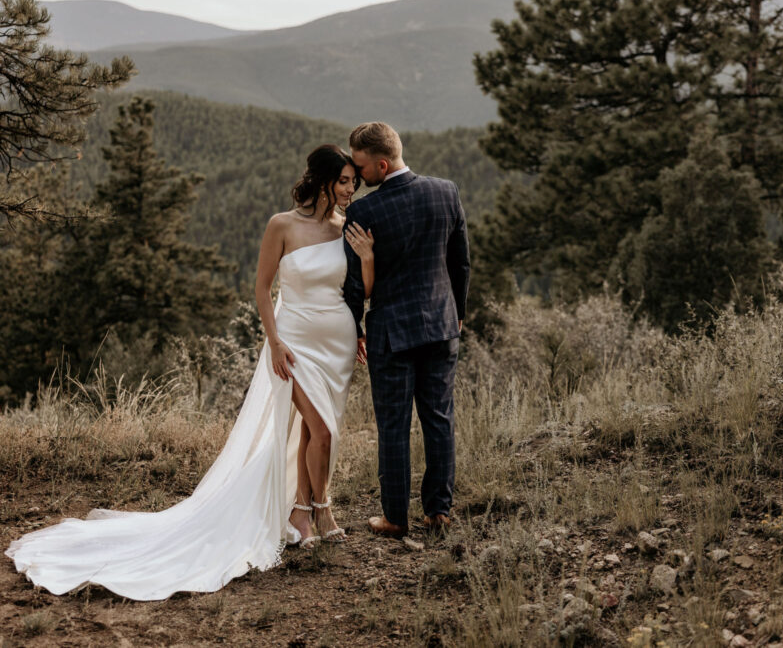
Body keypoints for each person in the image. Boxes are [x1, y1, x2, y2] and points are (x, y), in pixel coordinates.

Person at [5, 144, 374, 601]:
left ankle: (300, 512)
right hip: (294, 342)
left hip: (335, 342)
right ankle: (324, 510)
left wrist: (369, 259)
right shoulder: (282, 225)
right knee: (322, 431)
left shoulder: (347, 230)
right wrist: (274, 342)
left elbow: (359, 289)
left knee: (312, 431)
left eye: (352, 182)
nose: (349, 189)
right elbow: (262, 289)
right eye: (342, 180)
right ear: (319, 180)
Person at [344, 122, 470, 537]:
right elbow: (460, 263)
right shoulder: (446, 191)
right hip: (441, 325)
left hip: (391, 334)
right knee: (439, 419)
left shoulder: (364, 212)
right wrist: (458, 314)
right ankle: (439, 512)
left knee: (394, 425)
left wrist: (355, 328)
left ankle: (395, 518)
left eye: (361, 168)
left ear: (382, 164)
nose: (358, 177)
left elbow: (354, 287)